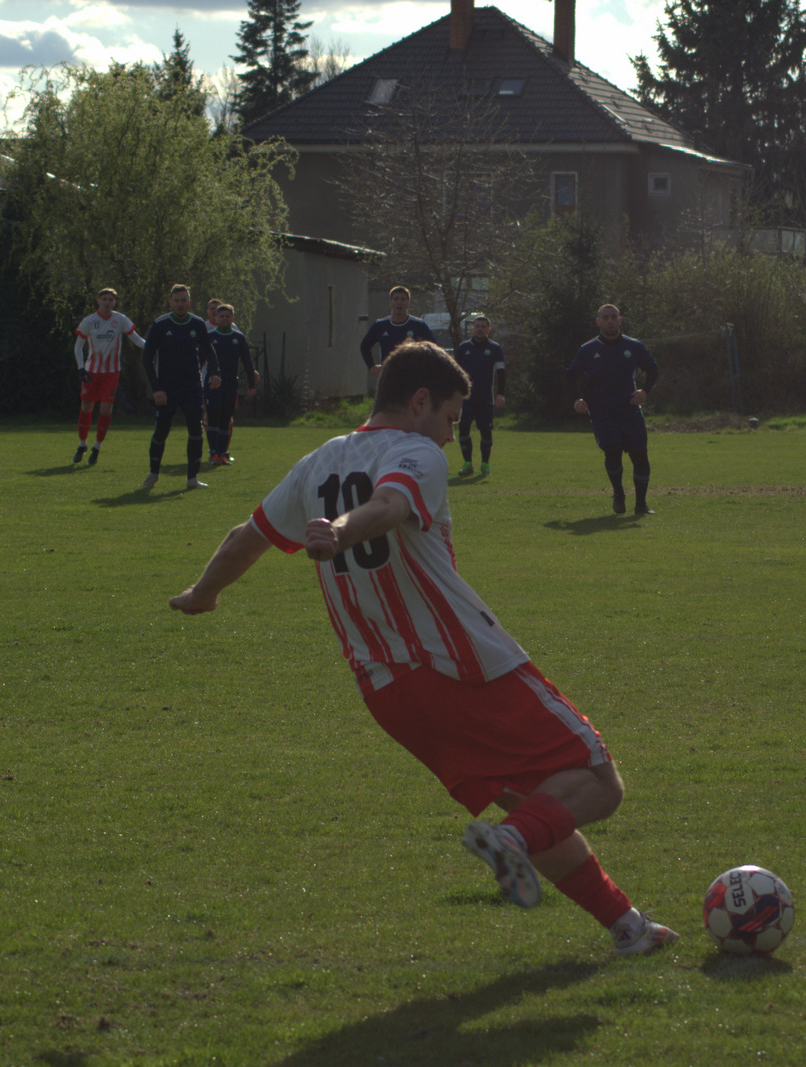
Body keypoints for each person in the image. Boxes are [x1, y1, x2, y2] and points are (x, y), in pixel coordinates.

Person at [168, 341, 677, 957]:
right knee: (598, 782)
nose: (449, 436)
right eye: (451, 419)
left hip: (388, 693)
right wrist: (341, 530)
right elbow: (387, 506)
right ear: (419, 402)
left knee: (536, 804)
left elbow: (243, 539)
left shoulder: (316, 463)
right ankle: (512, 843)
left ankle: (627, 927)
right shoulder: (415, 452)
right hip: (460, 665)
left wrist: (201, 594)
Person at [567, 304, 658, 515]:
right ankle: (618, 494)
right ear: (598, 322)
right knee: (613, 449)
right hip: (602, 412)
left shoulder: (633, 346)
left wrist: (645, 391)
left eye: (613, 317)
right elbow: (570, 375)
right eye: (605, 317)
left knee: (640, 456)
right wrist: (576, 399)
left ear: (620, 320)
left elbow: (653, 369)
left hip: (630, 410)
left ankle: (641, 505)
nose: (610, 321)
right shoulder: (588, 349)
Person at [140, 284, 218, 491]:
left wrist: (215, 373)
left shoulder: (197, 324)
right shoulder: (160, 324)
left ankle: (192, 478)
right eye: (176, 301)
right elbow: (146, 358)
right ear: (171, 303)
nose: (180, 304)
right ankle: (153, 474)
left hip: (192, 387)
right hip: (166, 389)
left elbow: (209, 350)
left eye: (184, 300)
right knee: (161, 431)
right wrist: (156, 388)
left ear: (189, 303)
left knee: (196, 430)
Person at [72, 287, 147, 466]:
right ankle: (82, 444)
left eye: (110, 300)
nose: (107, 302)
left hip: (111, 373)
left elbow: (137, 340)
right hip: (91, 372)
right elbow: (78, 346)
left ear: (114, 302)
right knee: (86, 407)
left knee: (106, 410)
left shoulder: (120, 320)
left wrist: (155, 345)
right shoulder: (89, 321)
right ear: (98, 301)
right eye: (104, 299)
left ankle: (97, 447)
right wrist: (81, 369)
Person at [204, 303, 260, 466]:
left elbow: (247, 361)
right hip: (213, 384)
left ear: (232, 318)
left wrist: (251, 383)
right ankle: (213, 453)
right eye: (221, 316)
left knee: (225, 419)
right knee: (213, 415)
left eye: (227, 316)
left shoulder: (238, 338)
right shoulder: (210, 337)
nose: (224, 318)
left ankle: (222, 453)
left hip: (230, 384)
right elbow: (200, 359)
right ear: (216, 318)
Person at [452, 313, 505, 476]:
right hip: (466, 398)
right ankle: (467, 463)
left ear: (488, 330)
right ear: (472, 329)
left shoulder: (495, 348)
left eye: (483, 327)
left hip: (485, 397)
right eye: (477, 326)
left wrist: (501, 393)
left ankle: (485, 464)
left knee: (486, 430)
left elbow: (501, 372)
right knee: (464, 427)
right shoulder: (463, 348)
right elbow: (455, 372)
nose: (480, 329)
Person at [359, 286, 435, 381]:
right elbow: (364, 346)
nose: (399, 302)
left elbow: (433, 349)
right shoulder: (380, 325)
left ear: (408, 303)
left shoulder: (418, 325)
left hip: (413, 379)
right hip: (388, 378)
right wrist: (372, 367)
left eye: (403, 299)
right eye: (396, 299)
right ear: (390, 302)